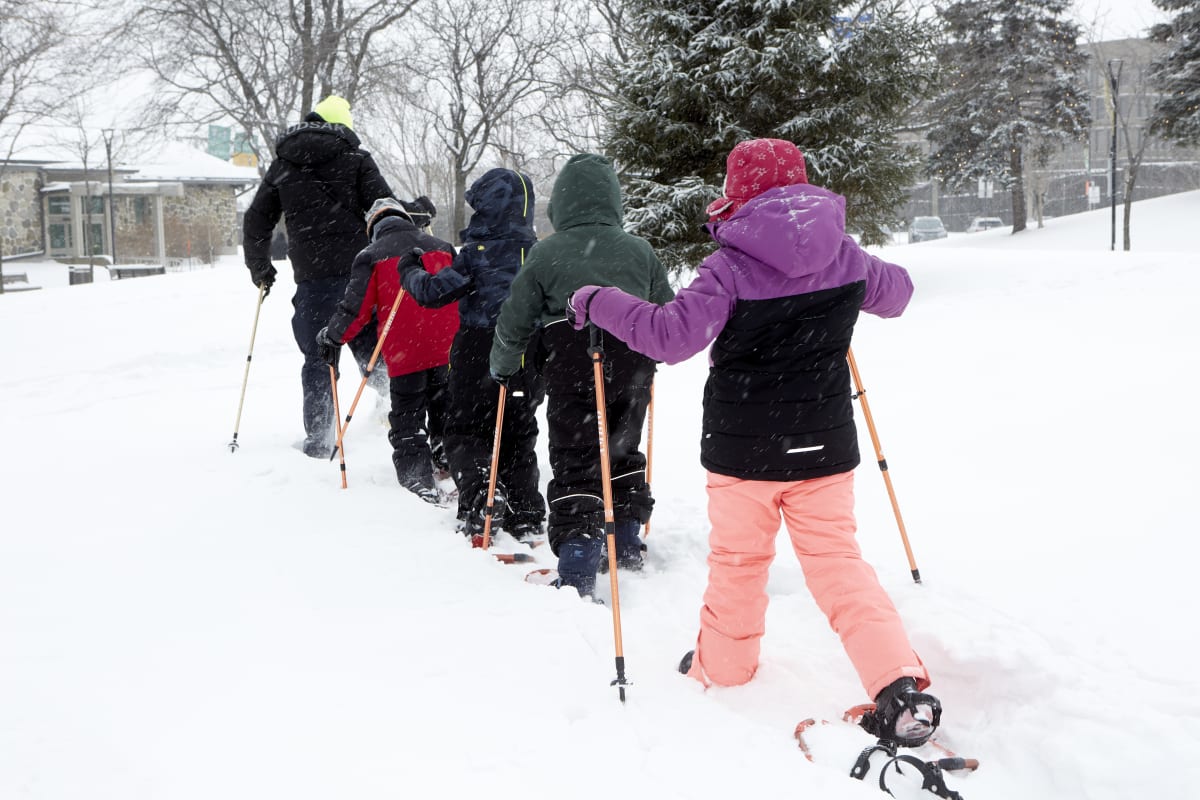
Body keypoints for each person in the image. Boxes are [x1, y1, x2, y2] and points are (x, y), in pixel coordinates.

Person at [565, 138, 941, 747]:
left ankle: (726, 667)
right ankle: (899, 686)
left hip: (744, 452)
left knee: (739, 565)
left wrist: (598, 299)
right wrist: (847, 280)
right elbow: (896, 293)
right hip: (824, 448)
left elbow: (670, 337)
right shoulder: (843, 254)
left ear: (737, 193)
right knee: (841, 567)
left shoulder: (730, 266)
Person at [489, 153, 674, 598]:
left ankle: (578, 557)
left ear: (563, 203)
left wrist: (503, 364)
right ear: (612, 200)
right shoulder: (639, 250)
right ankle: (626, 539)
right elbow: (666, 310)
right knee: (623, 446)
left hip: (571, 360)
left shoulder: (546, 251)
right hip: (633, 361)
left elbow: (515, 319)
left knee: (576, 455)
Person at [242, 94, 393, 458]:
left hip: (313, 279)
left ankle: (320, 440)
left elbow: (256, 220)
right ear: (343, 126)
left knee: (318, 358)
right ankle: (394, 405)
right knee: (367, 343)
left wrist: (260, 267)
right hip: (359, 273)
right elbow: (384, 207)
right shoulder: (356, 158)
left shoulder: (284, 164)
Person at [401, 168, 547, 543]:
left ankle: (482, 496)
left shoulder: (478, 254)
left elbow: (435, 292)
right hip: (526, 350)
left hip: (478, 346)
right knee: (518, 428)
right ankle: (526, 510)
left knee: (466, 427)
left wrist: (410, 270)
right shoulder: (539, 254)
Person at [316, 196, 458, 505]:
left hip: (405, 353)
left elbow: (356, 310)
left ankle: (417, 480)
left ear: (374, 227)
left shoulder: (370, 256)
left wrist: (333, 337)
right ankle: (450, 463)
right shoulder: (442, 246)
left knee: (408, 418)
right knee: (446, 411)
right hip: (448, 348)